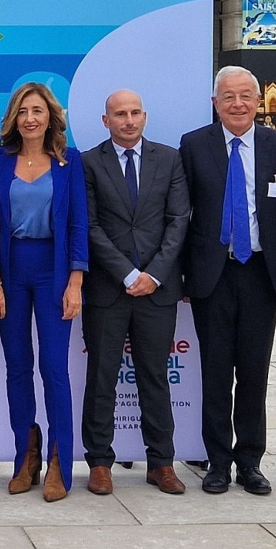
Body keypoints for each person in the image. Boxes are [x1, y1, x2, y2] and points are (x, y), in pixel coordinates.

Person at [179, 66, 276, 496]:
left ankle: (250, 461)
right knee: (215, 372)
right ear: (215, 103)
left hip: (261, 274)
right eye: (228, 97)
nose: (237, 104)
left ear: (259, 102)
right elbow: (182, 214)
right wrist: (181, 276)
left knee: (254, 372)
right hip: (212, 274)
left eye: (246, 96)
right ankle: (217, 462)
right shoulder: (194, 145)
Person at [0, 82, 88, 502]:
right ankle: (25, 456)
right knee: (18, 368)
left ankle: (61, 461)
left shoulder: (69, 163)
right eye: (23, 111)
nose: (30, 118)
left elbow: (79, 224)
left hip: (55, 273)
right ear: (13, 118)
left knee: (55, 370)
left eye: (38, 111)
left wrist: (75, 282)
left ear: (50, 117)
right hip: (9, 273)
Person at [80, 90, 189, 496]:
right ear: (105, 120)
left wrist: (154, 275)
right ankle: (100, 462)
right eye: (119, 114)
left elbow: (179, 219)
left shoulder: (170, 158)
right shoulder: (89, 162)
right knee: (102, 377)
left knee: (155, 377)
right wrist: (127, 273)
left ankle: (161, 462)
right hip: (110, 287)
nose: (128, 120)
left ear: (145, 116)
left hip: (157, 290)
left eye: (135, 113)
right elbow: (89, 226)